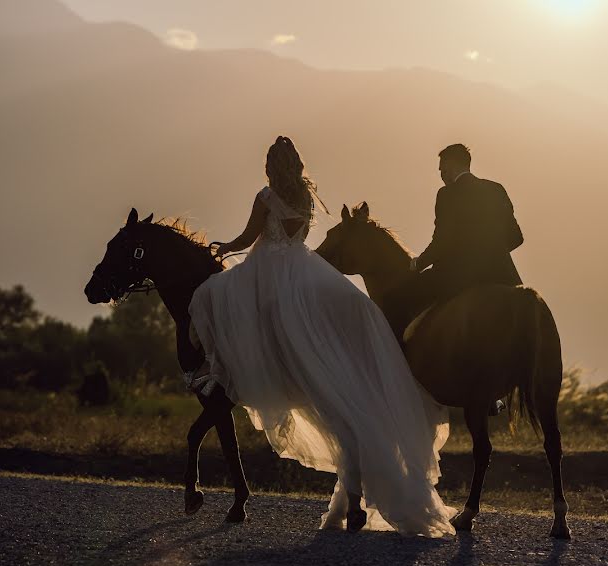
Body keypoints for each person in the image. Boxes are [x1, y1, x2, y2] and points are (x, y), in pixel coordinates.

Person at [187, 136, 454, 537]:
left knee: (212, 296)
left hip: (271, 271)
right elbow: (298, 238)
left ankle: (222, 370)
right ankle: (359, 494)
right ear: (297, 165)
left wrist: (224, 247)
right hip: (304, 268)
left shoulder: (265, 195)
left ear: (270, 167)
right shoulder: (307, 197)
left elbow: (247, 239)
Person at [385, 143, 524, 342]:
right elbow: (516, 237)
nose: (441, 174)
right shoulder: (496, 189)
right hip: (505, 276)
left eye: (441, 169)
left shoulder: (447, 194)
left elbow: (442, 240)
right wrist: (490, 253)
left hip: (457, 278)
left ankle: (396, 365)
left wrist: (419, 263)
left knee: (394, 300)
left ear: (450, 165)